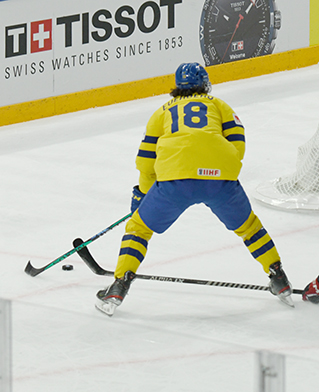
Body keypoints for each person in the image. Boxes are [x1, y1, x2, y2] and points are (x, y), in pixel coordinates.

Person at [95, 62, 293, 316]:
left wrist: (143, 194)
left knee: (139, 228)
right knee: (249, 227)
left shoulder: (161, 112)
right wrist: (222, 170)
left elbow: (146, 161)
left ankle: (119, 285)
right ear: (205, 84)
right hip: (219, 179)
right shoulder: (219, 105)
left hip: (175, 180)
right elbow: (238, 143)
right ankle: (279, 277)